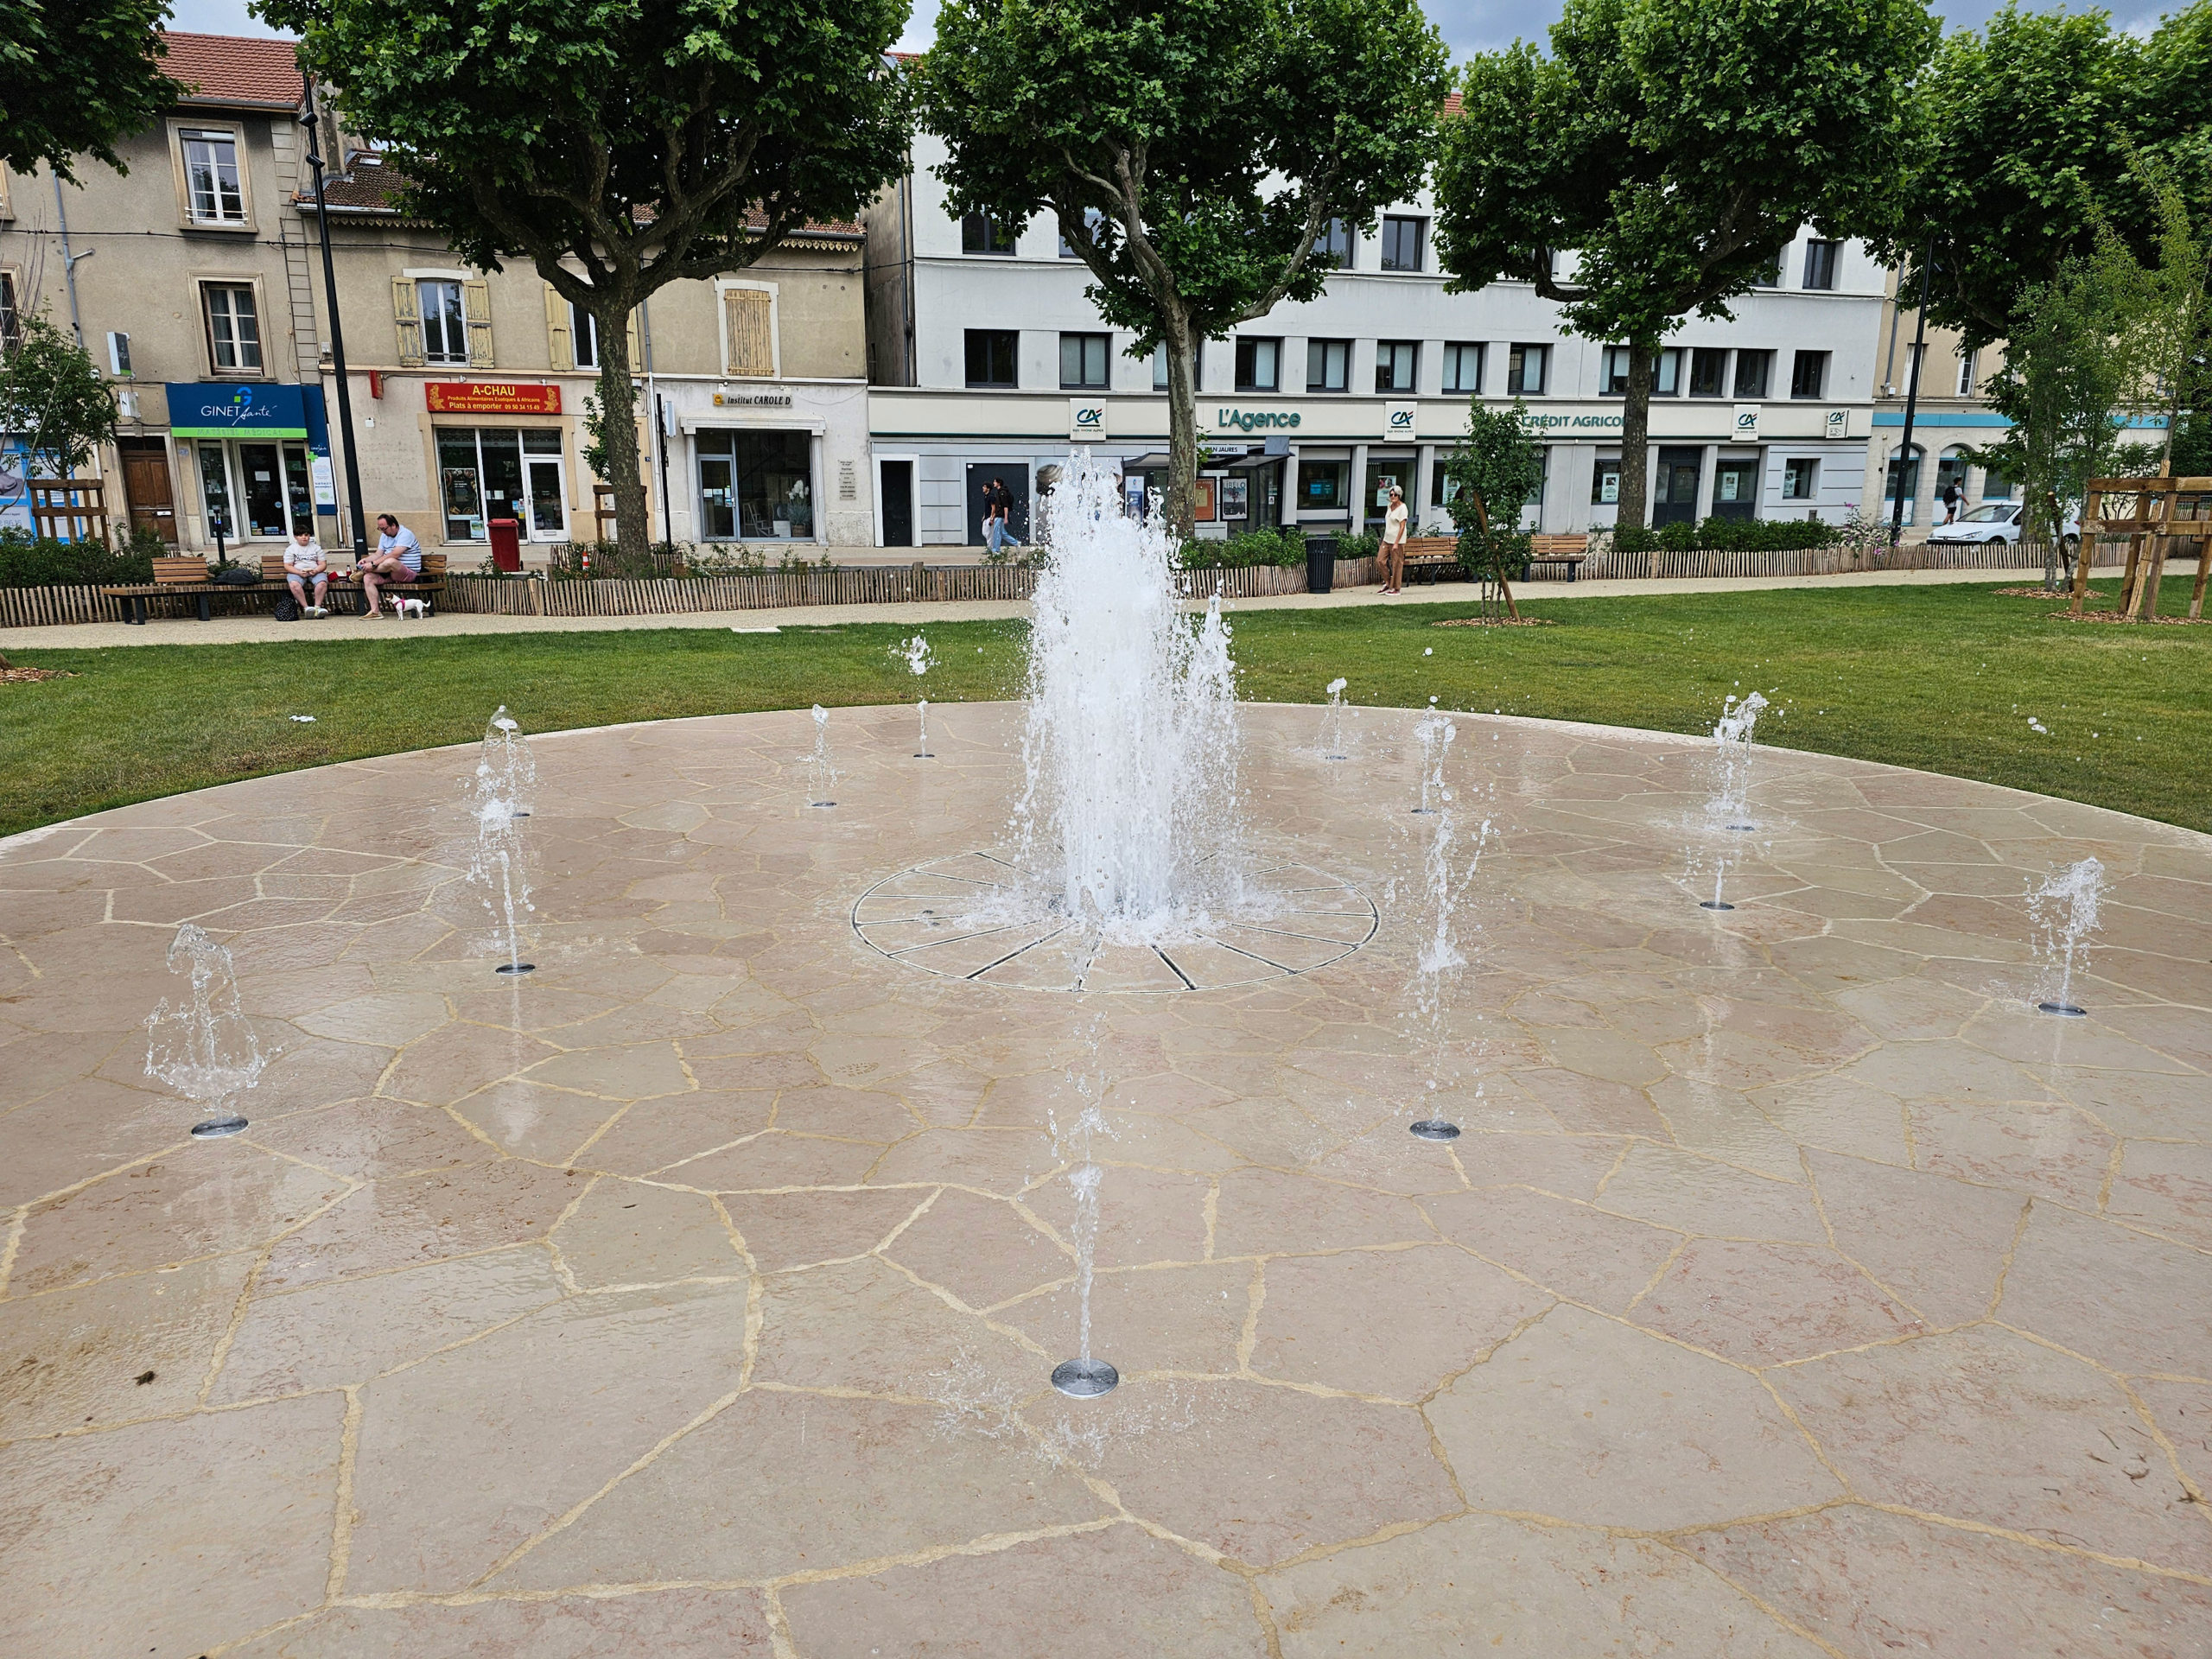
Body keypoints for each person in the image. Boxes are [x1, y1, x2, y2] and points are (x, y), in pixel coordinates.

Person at [359, 513, 422, 617]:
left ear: (393, 525)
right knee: (368, 578)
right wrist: (366, 560)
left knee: (391, 561)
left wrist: (373, 564)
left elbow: (395, 554)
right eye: (380, 529)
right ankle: (375, 612)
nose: (383, 532)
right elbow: (378, 554)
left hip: (408, 573)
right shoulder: (384, 536)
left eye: (384, 528)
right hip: (390, 572)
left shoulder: (405, 534)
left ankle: (364, 571)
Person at [283, 527, 329, 616]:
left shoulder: (316, 548)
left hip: (315, 571)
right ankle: (307, 608)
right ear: (295, 537)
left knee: (322, 583)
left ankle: (317, 608)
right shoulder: (291, 549)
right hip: (297, 572)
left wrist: (316, 570)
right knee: (294, 584)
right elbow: (288, 566)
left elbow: (323, 564)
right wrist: (299, 572)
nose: (304, 537)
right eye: (300, 535)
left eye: (306, 535)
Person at [1380, 483, 1409, 594]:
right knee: (1380, 561)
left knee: (1397, 564)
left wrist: (1396, 542)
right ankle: (1388, 583)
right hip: (1387, 539)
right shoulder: (1389, 506)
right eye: (1391, 494)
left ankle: (1396, 588)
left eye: (1395, 495)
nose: (1393, 497)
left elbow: (1402, 526)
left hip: (1397, 541)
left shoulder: (1403, 508)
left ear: (1399, 496)